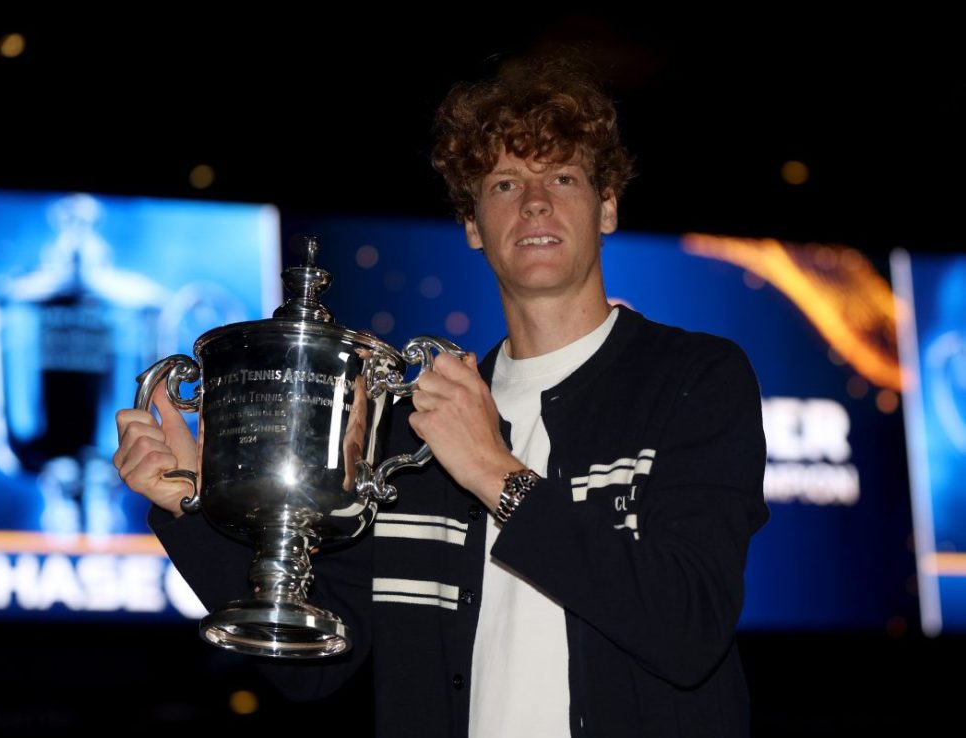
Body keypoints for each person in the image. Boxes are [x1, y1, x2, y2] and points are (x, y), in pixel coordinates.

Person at [114, 54, 769, 737]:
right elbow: (311, 667)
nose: (536, 202)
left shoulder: (693, 377)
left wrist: (492, 470)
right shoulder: (409, 430)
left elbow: (687, 631)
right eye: (505, 183)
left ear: (606, 207)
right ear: (472, 224)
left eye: (563, 178)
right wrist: (191, 505)